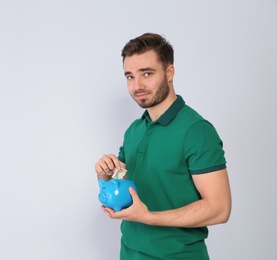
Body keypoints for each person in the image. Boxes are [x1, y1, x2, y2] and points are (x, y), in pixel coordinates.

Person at [95, 33, 232, 260]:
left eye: (147, 73)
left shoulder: (196, 131)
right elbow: (124, 184)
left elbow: (220, 209)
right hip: (129, 253)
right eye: (130, 76)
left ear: (169, 73)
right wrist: (104, 175)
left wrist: (150, 217)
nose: (137, 85)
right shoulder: (134, 130)